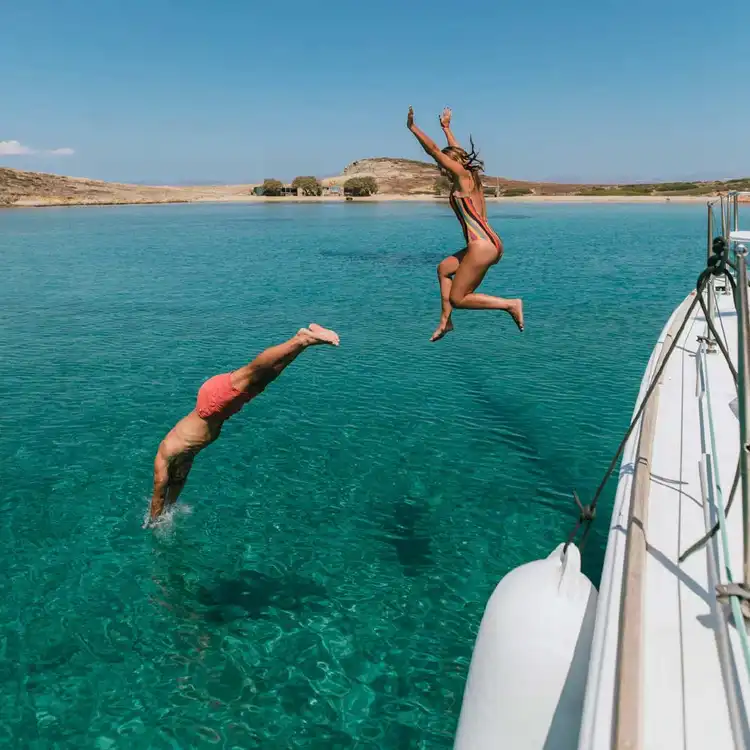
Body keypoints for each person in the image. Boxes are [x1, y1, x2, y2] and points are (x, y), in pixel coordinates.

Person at [147, 324, 340, 525]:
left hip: (211, 404)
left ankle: (301, 339)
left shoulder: (165, 458)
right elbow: (173, 489)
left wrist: (153, 524)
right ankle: (303, 343)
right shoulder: (183, 458)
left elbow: (159, 493)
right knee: (266, 377)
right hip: (220, 410)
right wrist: (168, 512)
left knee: (253, 371)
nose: (180, 475)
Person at [407, 106, 524, 341]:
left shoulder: (462, 178)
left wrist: (412, 128)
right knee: (443, 269)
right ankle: (445, 321)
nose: (441, 167)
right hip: (488, 242)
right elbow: (459, 152)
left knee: (459, 298)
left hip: (481, 245)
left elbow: (432, 150)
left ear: (452, 164)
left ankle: (510, 304)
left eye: (444, 162)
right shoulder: (472, 179)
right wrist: (446, 128)